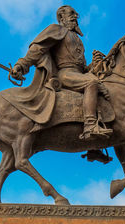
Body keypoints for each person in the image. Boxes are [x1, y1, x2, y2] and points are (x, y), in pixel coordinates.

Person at [10, 5, 112, 139]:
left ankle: (95, 148)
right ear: (61, 17)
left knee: (99, 84)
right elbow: (38, 49)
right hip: (65, 74)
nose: (75, 16)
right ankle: (90, 126)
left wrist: (95, 63)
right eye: (71, 13)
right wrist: (21, 65)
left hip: (78, 74)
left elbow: (83, 68)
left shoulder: (78, 40)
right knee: (91, 82)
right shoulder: (57, 29)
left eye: (76, 14)